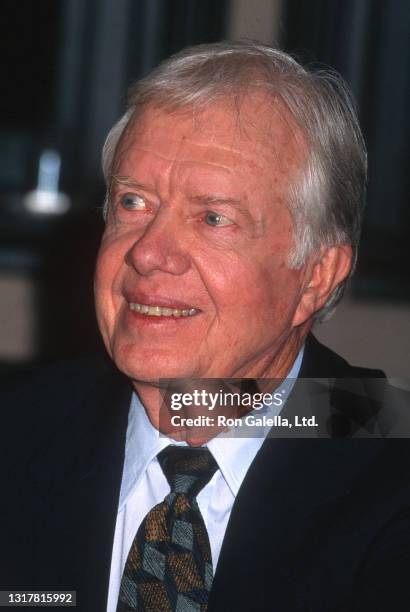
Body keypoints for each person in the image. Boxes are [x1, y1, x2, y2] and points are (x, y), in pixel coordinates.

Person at [2, 41, 410, 612]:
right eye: (133, 202)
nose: (148, 253)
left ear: (316, 277)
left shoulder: (389, 458)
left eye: (213, 217)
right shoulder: (19, 431)